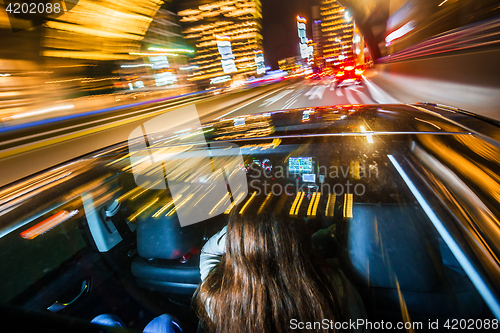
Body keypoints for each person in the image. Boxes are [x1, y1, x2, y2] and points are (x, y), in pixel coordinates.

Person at [195, 211, 365, 333]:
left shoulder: (216, 297)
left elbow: (208, 252)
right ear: (296, 239)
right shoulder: (335, 286)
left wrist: (246, 234)